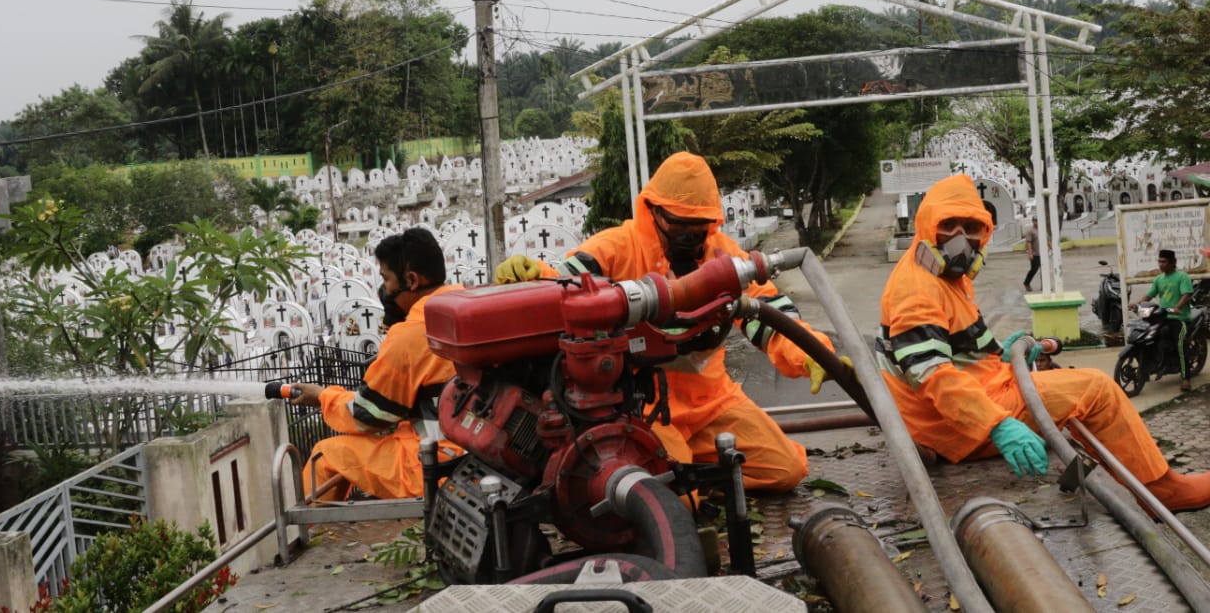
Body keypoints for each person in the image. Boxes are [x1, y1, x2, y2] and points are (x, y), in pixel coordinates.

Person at [496, 151, 844, 492]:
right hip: (643, 410)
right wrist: (534, 276)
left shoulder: (724, 258)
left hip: (713, 403)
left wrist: (811, 353)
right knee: (677, 503)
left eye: (698, 228)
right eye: (678, 225)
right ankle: (681, 478)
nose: (687, 237)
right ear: (652, 212)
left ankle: (692, 469)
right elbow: (568, 288)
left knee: (787, 470)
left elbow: (768, 310)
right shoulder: (617, 248)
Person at [877, 173, 1210, 512]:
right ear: (926, 225)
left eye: (971, 227)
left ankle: (1130, 477)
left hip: (968, 402)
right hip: (953, 424)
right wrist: (997, 424)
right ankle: (1161, 490)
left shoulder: (948, 279)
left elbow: (961, 345)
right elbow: (933, 374)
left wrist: (1001, 353)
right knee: (1096, 390)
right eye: (949, 225)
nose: (960, 239)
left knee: (1067, 386)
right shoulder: (917, 288)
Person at [285, 228, 463, 500]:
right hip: (477, 452)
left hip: (435, 462)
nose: (384, 289)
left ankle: (311, 536)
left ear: (412, 280)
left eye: (386, 279)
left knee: (326, 455)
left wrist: (323, 397)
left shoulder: (410, 334)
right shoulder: (466, 305)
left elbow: (370, 414)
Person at [1133, 248, 1195, 392]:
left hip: (1179, 318)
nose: (1161, 264)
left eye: (1164, 262)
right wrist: (1137, 304)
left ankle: (1186, 378)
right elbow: (1149, 295)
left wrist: (1178, 307)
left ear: (1173, 263)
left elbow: (1187, 294)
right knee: (1146, 338)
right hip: (1162, 317)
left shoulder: (1181, 276)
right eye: (1159, 261)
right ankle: (1150, 368)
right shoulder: (1159, 279)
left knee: (1180, 345)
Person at [1022, 217, 1041, 292]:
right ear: (1033, 221)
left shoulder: (1042, 230)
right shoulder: (1030, 231)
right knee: (1034, 269)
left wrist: (1052, 248)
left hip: (1043, 254)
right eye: (1035, 221)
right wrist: (1030, 253)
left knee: (1044, 270)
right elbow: (1028, 243)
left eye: (1038, 220)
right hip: (1035, 254)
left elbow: (1047, 239)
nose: (1037, 222)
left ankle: (1045, 285)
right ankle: (1026, 283)